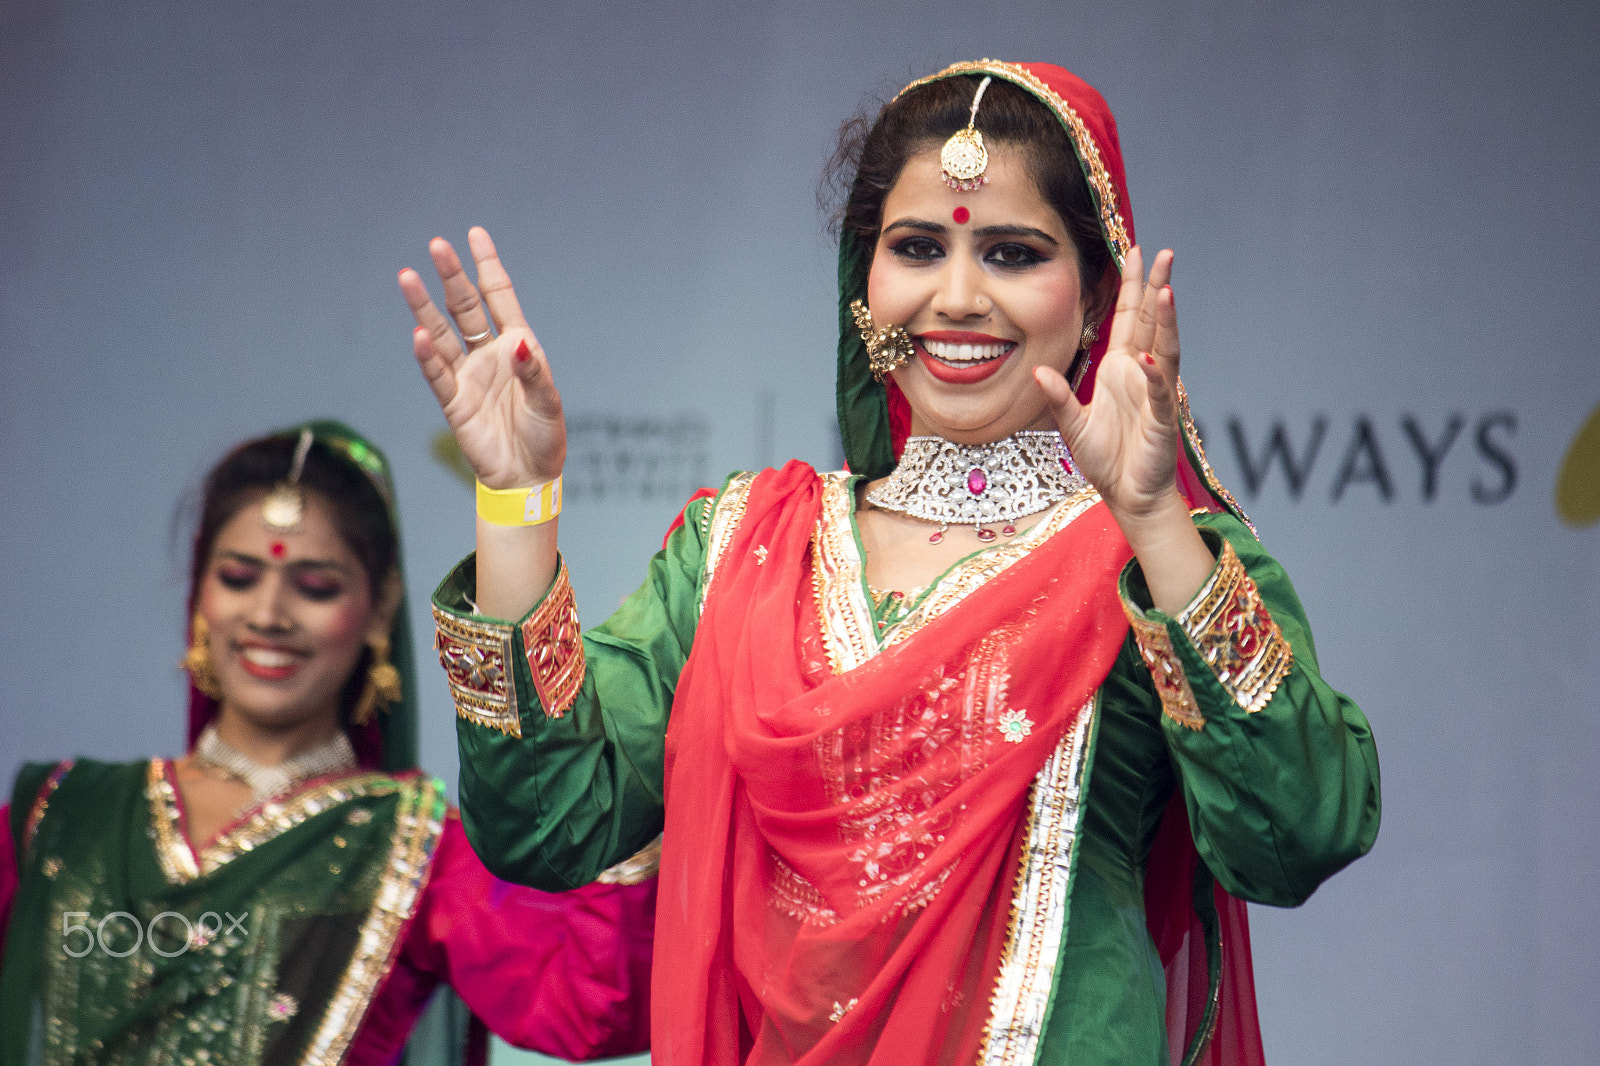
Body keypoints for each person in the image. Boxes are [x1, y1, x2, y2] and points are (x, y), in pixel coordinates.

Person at [403, 60, 1380, 1066]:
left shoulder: (1153, 563)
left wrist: (1149, 514)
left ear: (1094, 296)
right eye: (916, 248)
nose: (956, 298)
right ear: (862, 281)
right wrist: (516, 502)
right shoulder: (745, 546)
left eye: (1011, 253)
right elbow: (545, 822)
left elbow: (1295, 834)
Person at [0, 421, 656, 1066]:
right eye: (237, 577)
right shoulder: (60, 816)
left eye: (315, 587)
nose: (268, 615)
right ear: (200, 592)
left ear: (378, 607)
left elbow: (593, 1007)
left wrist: (630, 737)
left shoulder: (418, 849)